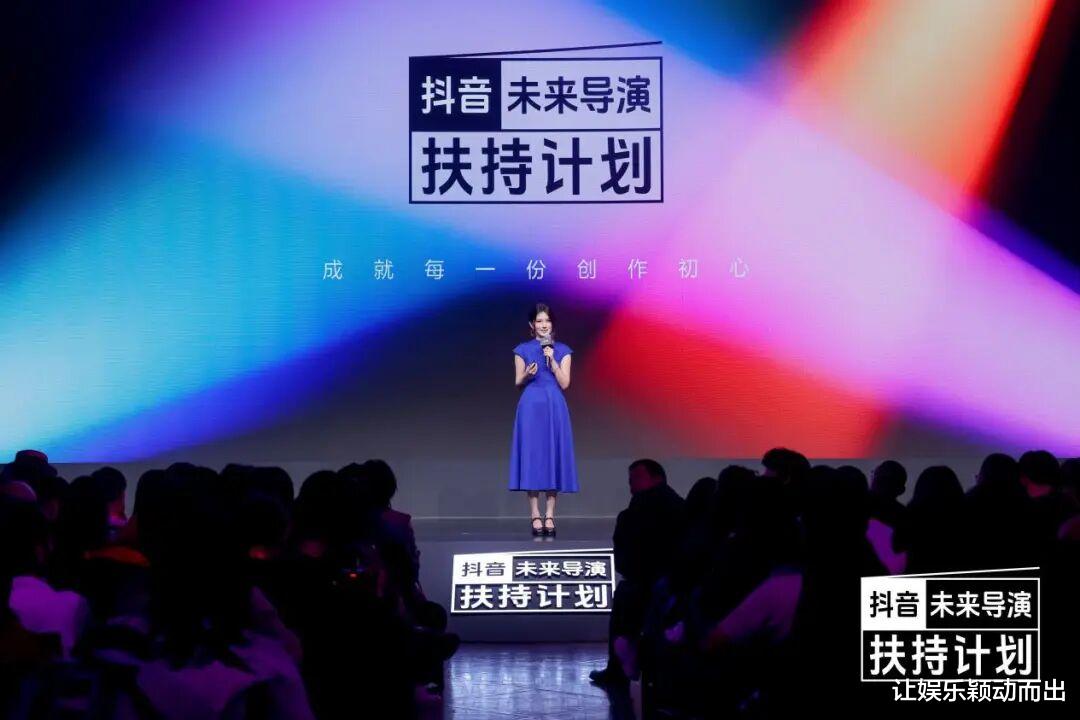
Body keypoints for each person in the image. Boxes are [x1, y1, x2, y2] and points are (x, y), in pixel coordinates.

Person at [509, 303, 578, 536]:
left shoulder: (563, 350)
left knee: (552, 456)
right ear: (532, 325)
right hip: (531, 406)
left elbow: (565, 383)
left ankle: (550, 514)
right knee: (533, 457)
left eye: (547, 321)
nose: (543, 325)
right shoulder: (522, 349)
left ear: (552, 324)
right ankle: (534, 514)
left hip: (554, 405)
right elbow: (518, 382)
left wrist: (553, 361)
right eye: (539, 321)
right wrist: (527, 374)